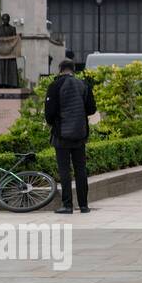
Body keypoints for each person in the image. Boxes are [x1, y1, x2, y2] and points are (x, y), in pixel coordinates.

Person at [45, 59, 96, 214]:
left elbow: (49, 113)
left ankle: (67, 205)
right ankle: (84, 205)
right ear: (74, 70)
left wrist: (54, 121)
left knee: (64, 171)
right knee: (81, 170)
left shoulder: (55, 85)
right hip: (80, 134)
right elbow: (92, 109)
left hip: (61, 135)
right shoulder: (83, 85)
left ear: (60, 69)